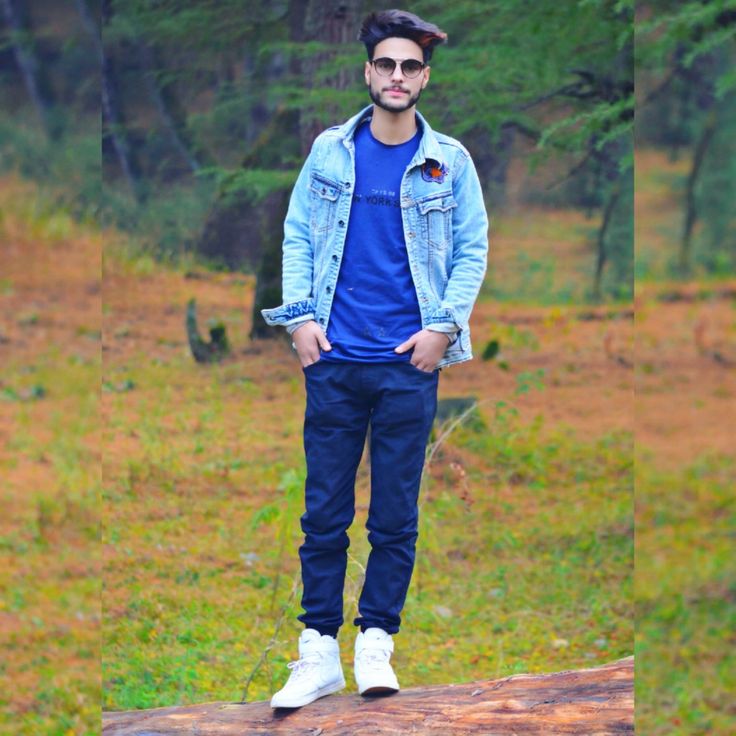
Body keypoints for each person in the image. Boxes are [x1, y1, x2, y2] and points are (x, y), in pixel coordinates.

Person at [261, 8, 489, 709]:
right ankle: (318, 651)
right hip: (333, 362)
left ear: (425, 77)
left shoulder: (448, 160)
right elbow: (298, 234)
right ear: (368, 72)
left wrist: (442, 331)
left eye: (410, 66)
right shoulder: (331, 150)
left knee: (395, 515)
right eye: (386, 65)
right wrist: (299, 319)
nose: (397, 76)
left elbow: (471, 248)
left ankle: (376, 643)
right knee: (323, 513)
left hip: (405, 367)